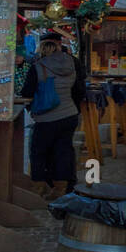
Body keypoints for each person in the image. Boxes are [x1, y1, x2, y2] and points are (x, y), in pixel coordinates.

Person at [20, 33, 83, 199]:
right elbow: (78, 90)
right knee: (63, 152)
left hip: (47, 117)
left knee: (38, 152)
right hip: (69, 114)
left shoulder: (38, 66)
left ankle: (39, 189)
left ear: (42, 51)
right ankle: (60, 189)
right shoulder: (71, 64)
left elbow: (27, 91)